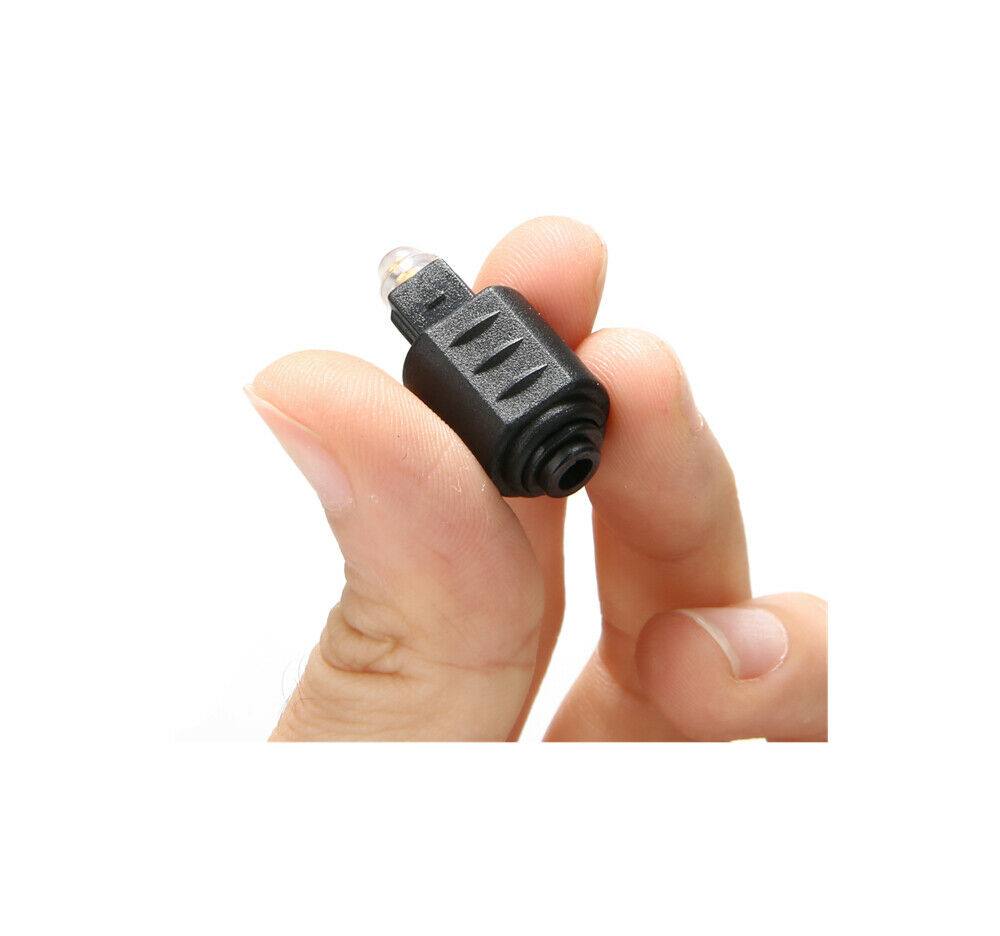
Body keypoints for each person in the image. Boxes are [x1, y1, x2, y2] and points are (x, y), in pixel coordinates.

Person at [246, 217, 828, 741]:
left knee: (636, 368)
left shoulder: (505, 398)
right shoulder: (530, 391)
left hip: (537, 438)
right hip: (548, 429)